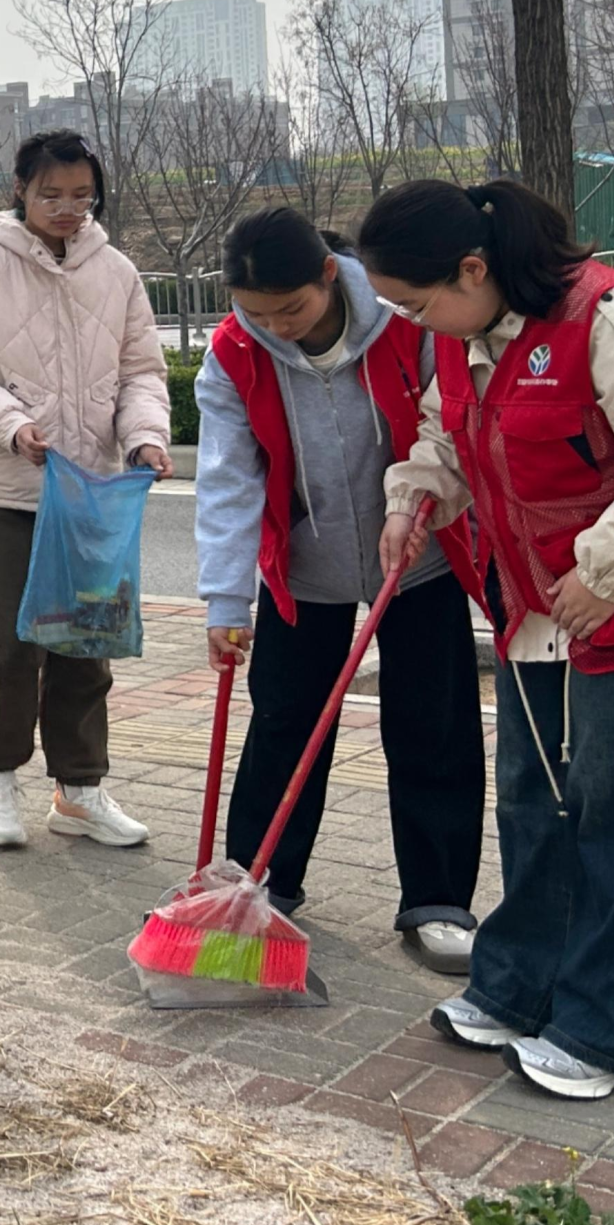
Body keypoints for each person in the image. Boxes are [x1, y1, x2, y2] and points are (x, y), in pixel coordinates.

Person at [359, 178, 614, 1102]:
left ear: (473, 269)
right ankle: (523, 985)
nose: (416, 324)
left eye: (417, 304)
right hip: (539, 610)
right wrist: (416, 498)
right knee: (535, 805)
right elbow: (448, 435)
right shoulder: (464, 336)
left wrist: (606, 571)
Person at [193, 207, 485, 975]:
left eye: (290, 308)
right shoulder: (234, 354)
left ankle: (438, 900)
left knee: (432, 725)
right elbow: (227, 479)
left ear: (329, 273)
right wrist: (225, 601)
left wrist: (424, 506)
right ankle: (259, 885)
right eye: (257, 314)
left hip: (417, 558)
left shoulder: (407, 322)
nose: (277, 328)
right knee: (284, 723)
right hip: (304, 568)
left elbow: (449, 422)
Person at [0, 129, 171, 852]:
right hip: (1, 490)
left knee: (84, 646)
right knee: (8, 648)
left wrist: (145, 436)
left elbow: (142, 372)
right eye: (51, 194)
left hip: (89, 492)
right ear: (21, 190)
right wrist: (10, 425)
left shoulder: (116, 272)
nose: (67, 208)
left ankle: (80, 789)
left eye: (81, 195)